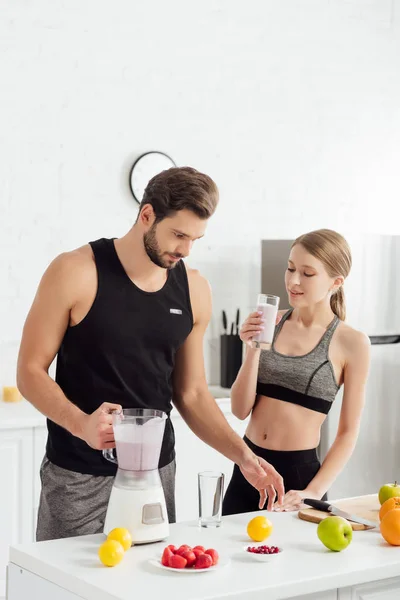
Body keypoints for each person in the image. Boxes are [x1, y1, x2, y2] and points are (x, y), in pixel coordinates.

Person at [17, 166, 284, 541]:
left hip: (155, 476)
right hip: (77, 476)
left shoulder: (194, 289)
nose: (186, 250)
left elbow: (191, 393)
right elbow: (29, 370)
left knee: (153, 586)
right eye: (178, 234)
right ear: (146, 216)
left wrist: (244, 457)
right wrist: (82, 425)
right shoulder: (76, 271)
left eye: (196, 238)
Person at [222, 229, 370, 515]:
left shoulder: (352, 343)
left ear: (336, 282)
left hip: (298, 480)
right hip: (250, 467)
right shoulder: (270, 323)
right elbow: (240, 410)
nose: (293, 281)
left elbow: (348, 432)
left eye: (307, 273)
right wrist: (252, 347)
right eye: (290, 268)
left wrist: (312, 492)